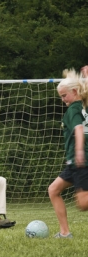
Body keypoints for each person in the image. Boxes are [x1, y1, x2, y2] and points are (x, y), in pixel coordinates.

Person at [48, 66, 88, 238]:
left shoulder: (73, 109)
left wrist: (79, 150)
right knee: (53, 190)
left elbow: (78, 130)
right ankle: (65, 232)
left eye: (64, 96)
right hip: (73, 162)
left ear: (74, 91)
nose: (63, 100)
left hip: (80, 161)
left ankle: (65, 232)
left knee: (83, 204)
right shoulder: (83, 105)